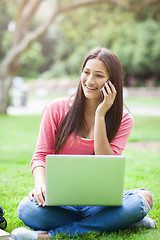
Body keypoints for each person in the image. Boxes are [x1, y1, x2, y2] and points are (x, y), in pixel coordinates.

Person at [10, 47, 155, 240]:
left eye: (99, 75)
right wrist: (41, 185)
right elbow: (40, 156)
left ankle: (49, 236)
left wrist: (100, 115)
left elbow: (107, 164)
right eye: (86, 72)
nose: (89, 81)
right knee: (27, 210)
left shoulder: (124, 119)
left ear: (112, 82)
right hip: (60, 201)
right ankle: (117, 220)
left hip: (99, 201)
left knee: (144, 198)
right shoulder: (56, 109)